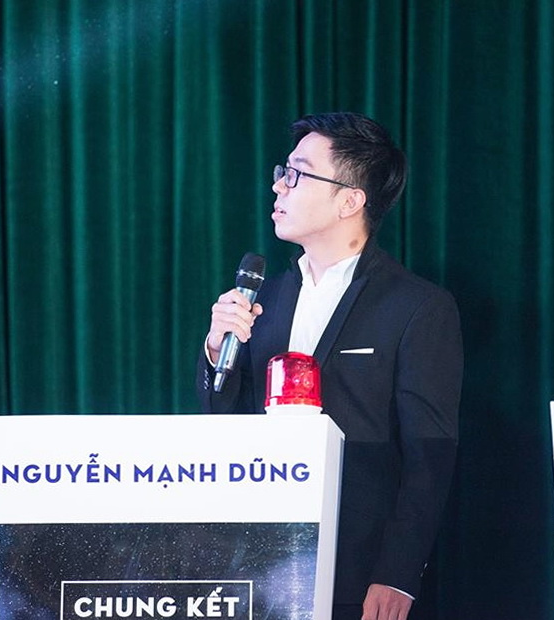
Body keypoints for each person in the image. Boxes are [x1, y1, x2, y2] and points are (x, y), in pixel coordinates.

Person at [196, 112, 463, 620]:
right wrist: (216, 351)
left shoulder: (416, 307)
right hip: (255, 566)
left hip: (356, 572)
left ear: (349, 201)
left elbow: (429, 454)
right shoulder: (263, 300)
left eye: (297, 174)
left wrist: (398, 573)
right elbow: (224, 426)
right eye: (283, 171)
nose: (279, 185)